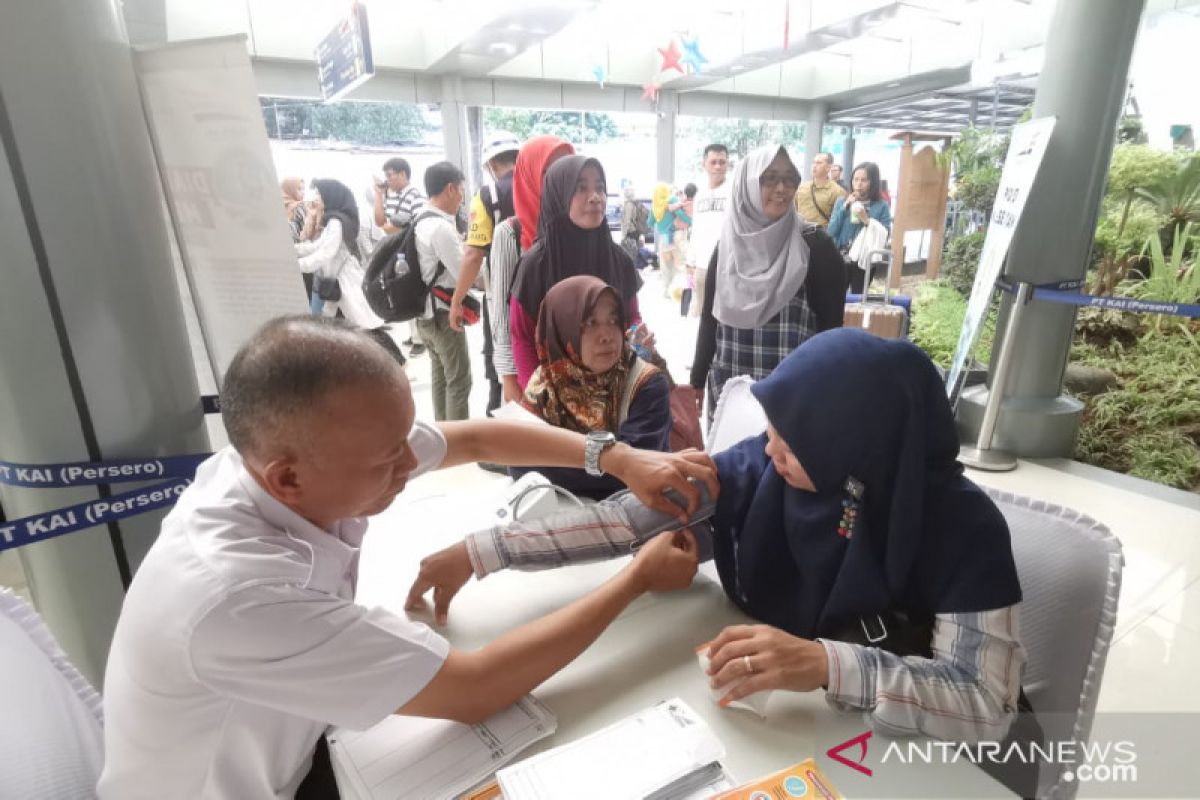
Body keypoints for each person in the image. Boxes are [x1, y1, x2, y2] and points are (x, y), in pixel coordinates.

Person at [98, 315, 715, 800]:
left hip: (299, 744)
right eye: (387, 461)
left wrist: (619, 458)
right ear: (286, 479)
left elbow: (474, 438)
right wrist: (636, 577)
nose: (409, 464)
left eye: (404, 441)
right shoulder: (238, 594)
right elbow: (474, 689)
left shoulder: (299, 461)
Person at [409, 328, 1036, 795]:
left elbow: (985, 704)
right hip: (787, 740)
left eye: (798, 435)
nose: (768, 444)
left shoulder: (962, 528)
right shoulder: (769, 470)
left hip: (906, 764)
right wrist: (484, 550)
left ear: (862, 445)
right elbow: (628, 522)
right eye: (773, 423)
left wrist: (826, 663)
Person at [689, 145, 847, 418]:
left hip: (792, 403)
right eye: (770, 178)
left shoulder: (814, 246)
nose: (781, 188)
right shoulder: (727, 246)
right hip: (731, 397)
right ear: (748, 184)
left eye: (789, 178)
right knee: (729, 461)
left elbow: (831, 333)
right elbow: (709, 318)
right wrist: (697, 380)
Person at [515, 275, 671, 499]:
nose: (607, 335)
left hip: (635, 519)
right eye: (589, 323)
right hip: (559, 514)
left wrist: (545, 458)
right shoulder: (545, 382)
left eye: (613, 320)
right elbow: (517, 463)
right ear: (562, 329)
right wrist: (606, 463)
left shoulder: (646, 385)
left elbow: (631, 472)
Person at [509, 155, 644, 390]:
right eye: (581, 188)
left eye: (600, 188)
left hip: (610, 392)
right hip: (554, 396)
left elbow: (631, 317)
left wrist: (637, 335)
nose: (595, 198)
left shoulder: (618, 259)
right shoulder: (536, 264)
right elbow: (522, 338)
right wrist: (537, 397)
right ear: (559, 195)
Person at [490, 135, 576, 405]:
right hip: (529, 366)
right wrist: (508, 377)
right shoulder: (510, 233)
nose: (561, 179)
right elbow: (502, 311)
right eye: (549, 171)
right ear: (530, 175)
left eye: (567, 169)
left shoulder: (580, 228)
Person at [448, 131, 523, 416]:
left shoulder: (487, 196)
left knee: (499, 362)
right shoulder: (543, 186)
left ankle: (500, 435)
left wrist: (457, 300)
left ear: (490, 165)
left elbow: (474, 254)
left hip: (502, 294)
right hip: (544, 292)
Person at [414, 161, 473, 421]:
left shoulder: (420, 219)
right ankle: (460, 443)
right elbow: (464, 272)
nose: (462, 197)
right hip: (443, 315)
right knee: (460, 381)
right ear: (450, 188)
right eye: (461, 190)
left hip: (424, 314)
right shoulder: (440, 228)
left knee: (441, 376)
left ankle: (443, 434)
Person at [373, 157, 427, 356]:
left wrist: (391, 228)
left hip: (409, 253)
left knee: (410, 290)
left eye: (390, 175)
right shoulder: (391, 196)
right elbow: (380, 221)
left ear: (403, 174)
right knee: (399, 290)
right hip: (395, 253)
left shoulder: (415, 196)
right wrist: (379, 195)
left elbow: (415, 225)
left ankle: (420, 338)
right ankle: (414, 335)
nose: (388, 180)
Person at [686, 144, 731, 320]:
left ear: (728, 164)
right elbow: (695, 229)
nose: (718, 166)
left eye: (722, 162)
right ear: (704, 164)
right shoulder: (700, 195)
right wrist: (690, 260)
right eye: (713, 162)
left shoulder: (734, 191)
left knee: (723, 316)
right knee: (702, 314)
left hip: (727, 265)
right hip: (703, 265)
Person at [827, 161, 893, 252]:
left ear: (873, 182)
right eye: (856, 179)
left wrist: (867, 221)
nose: (858, 184)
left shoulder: (882, 206)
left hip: (865, 257)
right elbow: (831, 231)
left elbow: (885, 235)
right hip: (840, 254)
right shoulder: (842, 201)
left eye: (864, 180)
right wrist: (845, 207)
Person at [650, 183, 690, 297]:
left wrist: (661, 225)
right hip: (675, 237)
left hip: (664, 240)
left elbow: (650, 222)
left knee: (666, 265)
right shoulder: (672, 201)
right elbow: (680, 214)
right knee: (679, 263)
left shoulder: (656, 205)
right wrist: (691, 222)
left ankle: (666, 290)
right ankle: (677, 290)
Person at [794, 151, 846, 229]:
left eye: (819, 163)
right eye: (813, 162)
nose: (814, 166)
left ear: (828, 167)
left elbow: (839, 219)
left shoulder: (837, 191)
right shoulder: (802, 188)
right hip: (799, 234)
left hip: (820, 236)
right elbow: (794, 211)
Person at [619, 184, 652, 266]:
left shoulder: (628, 205)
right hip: (636, 230)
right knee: (637, 249)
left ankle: (636, 264)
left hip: (631, 230)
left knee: (631, 249)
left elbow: (627, 221)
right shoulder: (636, 203)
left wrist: (623, 235)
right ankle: (641, 263)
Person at [281, 177, 307, 242]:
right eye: (299, 189)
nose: (303, 192)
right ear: (290, 189)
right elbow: (307, 232)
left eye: (303, 189)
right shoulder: (299, 206)